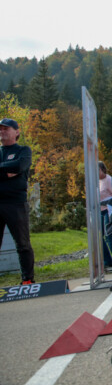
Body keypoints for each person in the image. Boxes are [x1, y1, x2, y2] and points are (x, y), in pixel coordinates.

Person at [0, 118, 34, 284]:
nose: (2, 132)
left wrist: (10, 169)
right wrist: (7, 171)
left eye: (6, 129)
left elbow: (20, 166)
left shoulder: (23, 150)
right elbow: (13, 169)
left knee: (22, 243)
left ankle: (27, 279)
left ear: (17, 132)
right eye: (0, 129)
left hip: (16, 203)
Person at [99, 161, 112, 268]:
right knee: (99, 236)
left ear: (103, 170)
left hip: (108, 210)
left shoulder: (108, 180)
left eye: (98, 170)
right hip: (99, 210)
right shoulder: (96, 182)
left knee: (109, 235)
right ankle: (107, 260)